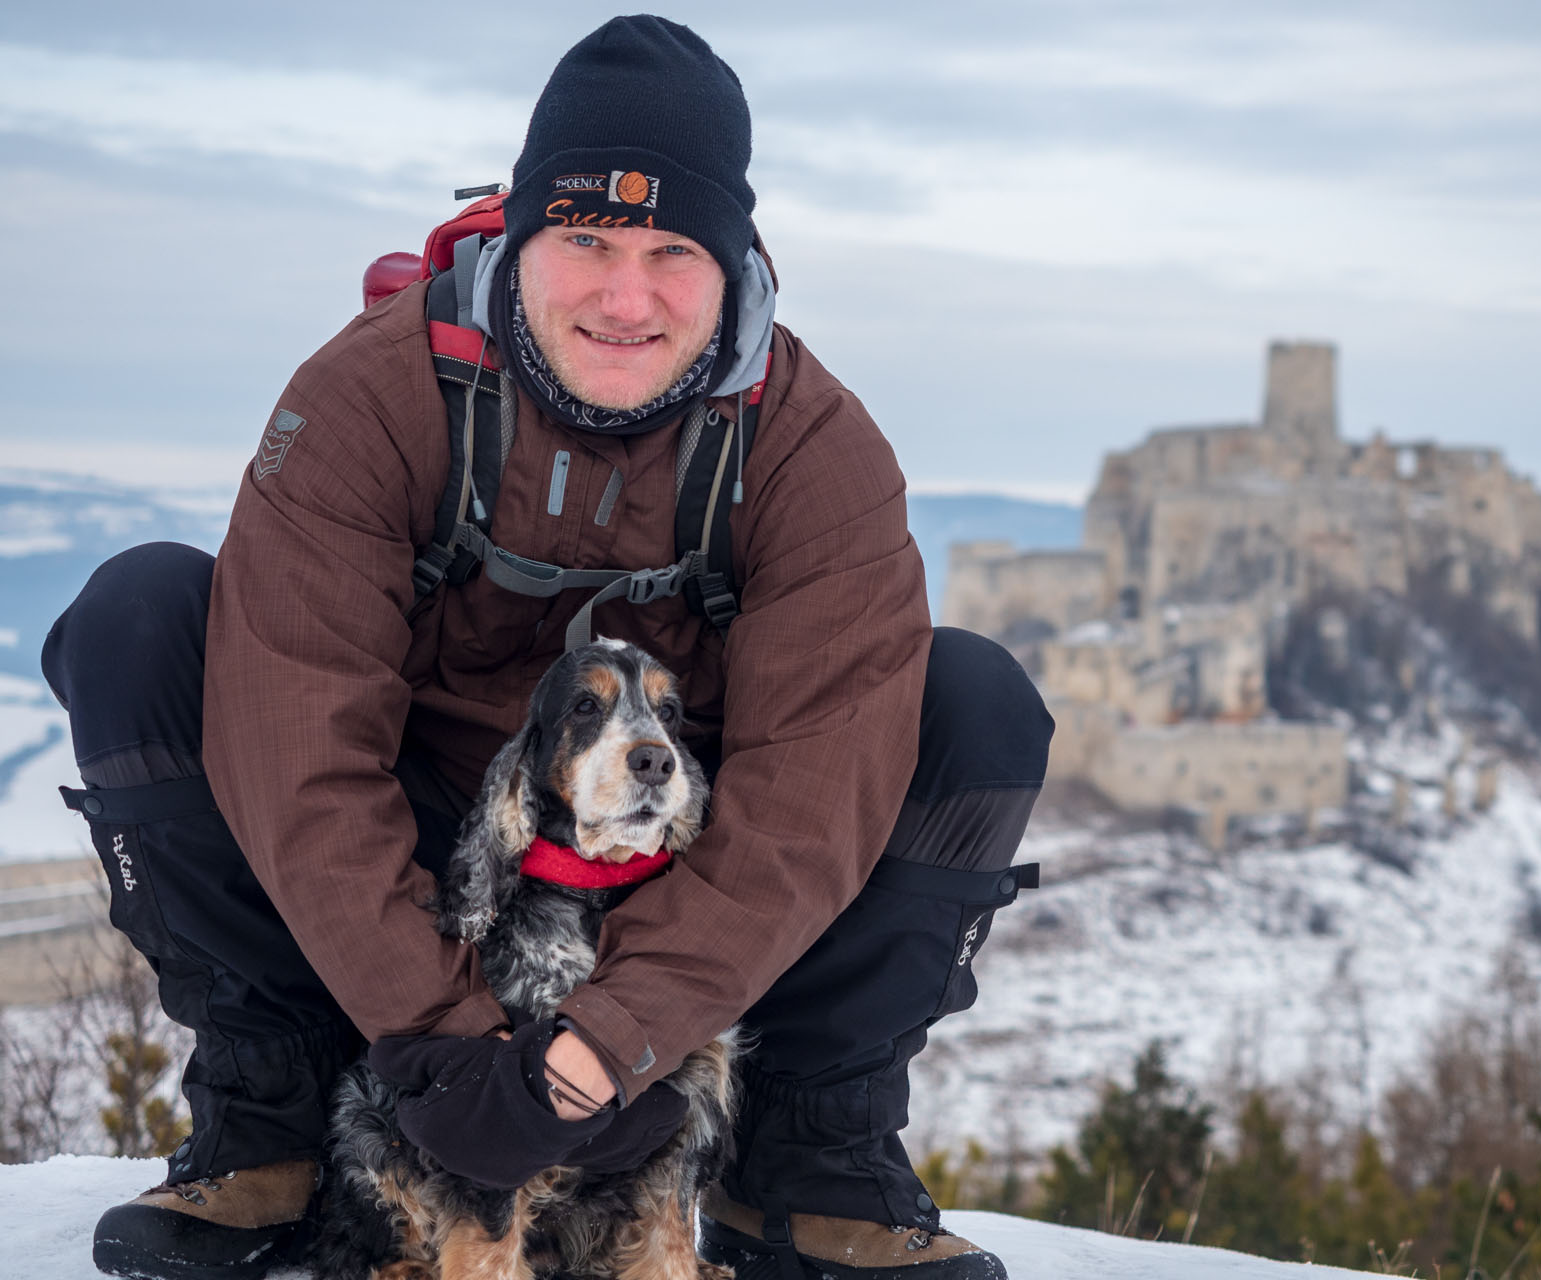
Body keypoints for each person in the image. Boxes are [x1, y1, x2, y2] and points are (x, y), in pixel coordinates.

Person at [44, 16, 1049, 1280]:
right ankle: (270, 1124)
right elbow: (294, 742)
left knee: (974, 706)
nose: (627, 298)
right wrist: (442, 1049)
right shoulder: (373, 396)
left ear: (734, 262)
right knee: (140, 622)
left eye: (672, 250)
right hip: (409, 832)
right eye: (586, 239)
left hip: (665, 841)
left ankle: (805, 1163)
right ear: (520, 235)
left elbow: (808, 800)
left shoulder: (811, 450)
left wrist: (610, 1045)